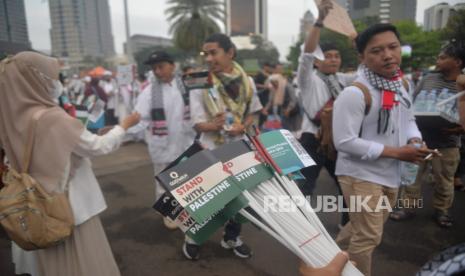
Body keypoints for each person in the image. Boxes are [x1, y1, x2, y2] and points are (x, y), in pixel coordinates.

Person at [0, 51, 140, 276]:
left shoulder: (9, 118)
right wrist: (124, 125)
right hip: (68, 208)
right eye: (51, 77)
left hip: (33, 208)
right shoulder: (53, 118)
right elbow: (98, 146)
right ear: (36, 80)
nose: (56, 83)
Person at [332, 24, 436, 276]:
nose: (388, 55)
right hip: (359, 175)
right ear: (362, 57)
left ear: (401, 48)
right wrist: (398, 153)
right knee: (367, 237)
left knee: (359, 230)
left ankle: (323, 263)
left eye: (393, 47)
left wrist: (414, 141)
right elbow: (344, 142)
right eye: (377, 51)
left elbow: (408, 120)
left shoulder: (401, 84)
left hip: (390, 172)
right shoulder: (355, 93)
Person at [187, 33, 262, 260]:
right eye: (205, 54)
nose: (209, 58)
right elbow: (196, 122)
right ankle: (193, 237)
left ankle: (231, 237)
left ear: (230, 53)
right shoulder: (200, 81)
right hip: (211, 149)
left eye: (213, 53)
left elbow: (253, 113)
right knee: (208, 198)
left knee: (240, 197)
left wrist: (243, 126)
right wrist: (213, 125)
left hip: (239, 148)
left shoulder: (247, 82)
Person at [390, 42, 465, 227]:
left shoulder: (462, 84)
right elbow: (411, 103)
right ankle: (408, 207)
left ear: (457, 62)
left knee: (444, 180)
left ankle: (442, 210)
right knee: (411, 177)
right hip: (420, 140)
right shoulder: (428, 79)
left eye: (442, 57)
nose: (437, 60)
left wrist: (458, 128)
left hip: (448, 143)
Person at [296, 0, 356, 225]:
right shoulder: (308, 80)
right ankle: (301, 229)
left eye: (336, 56)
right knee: (305, 186)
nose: (333, 59)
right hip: (313, 139)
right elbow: (306, 54)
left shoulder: (344, 79)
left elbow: (368, 71)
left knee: (345, 183)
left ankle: (345, 223)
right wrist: (320, 21)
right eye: (327, 56)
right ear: (318, 61)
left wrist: (356, 42)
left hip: (337, 140)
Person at [127, 51, 197, 229]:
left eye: (161, 66)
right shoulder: (149, 92)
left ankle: (183, 209)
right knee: (163, 180)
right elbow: (140, 118)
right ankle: (168, 212)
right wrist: (122, 131)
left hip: (184, 141)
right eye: (154, 68)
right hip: (162, 144)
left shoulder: (187, 86)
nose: (157, 71)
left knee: (185, 179)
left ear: (172, 65)